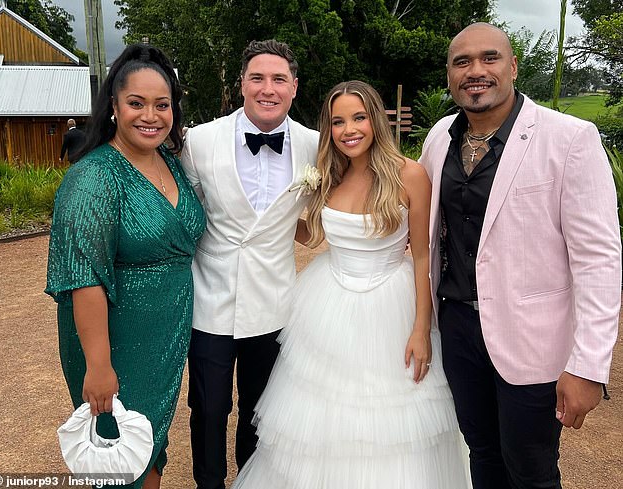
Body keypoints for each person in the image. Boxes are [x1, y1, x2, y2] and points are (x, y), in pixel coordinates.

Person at [230, 80, 471, 489]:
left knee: (392, 421)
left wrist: (419, 329)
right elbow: (310, 234)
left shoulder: (408, 174)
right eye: (338, 121)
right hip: (329, 304)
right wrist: (269, 214)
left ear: (375, 119)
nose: (349, 129)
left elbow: (423, 255)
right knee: (321, 414)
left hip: (390, 306)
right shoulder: (328, 174)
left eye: (358, 117)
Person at [419, 22, 621, 489]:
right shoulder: (439, 138)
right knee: (483, 455)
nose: (476, 71)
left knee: (530, 470)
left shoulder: (569, 139)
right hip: (458, 331)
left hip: (534, 341)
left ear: (512, 66)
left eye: (489, 58)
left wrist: (588, 366)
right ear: (450, 75)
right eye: (462, 62)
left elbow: (599, 260)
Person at [45, 44, 206, 488]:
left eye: (162, 105)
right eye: (136, 103)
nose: (150, 115)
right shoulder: (94, 176)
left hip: (164, 338)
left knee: (148, 447)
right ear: (114, 107)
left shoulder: (170, 163)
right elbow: (83, 278)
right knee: (117, 459)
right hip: (116, 341)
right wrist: (99, 366)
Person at [180, 39, 319, 489]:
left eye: (279, 79)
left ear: (294, 87)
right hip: (210, 301)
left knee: (261, 411)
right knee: (208, 408)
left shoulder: (316, 146)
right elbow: (186, 214)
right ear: (241, 83)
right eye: (257, 77)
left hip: (275, 304)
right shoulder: (199, 141)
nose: (268, 88)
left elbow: (325, 212)